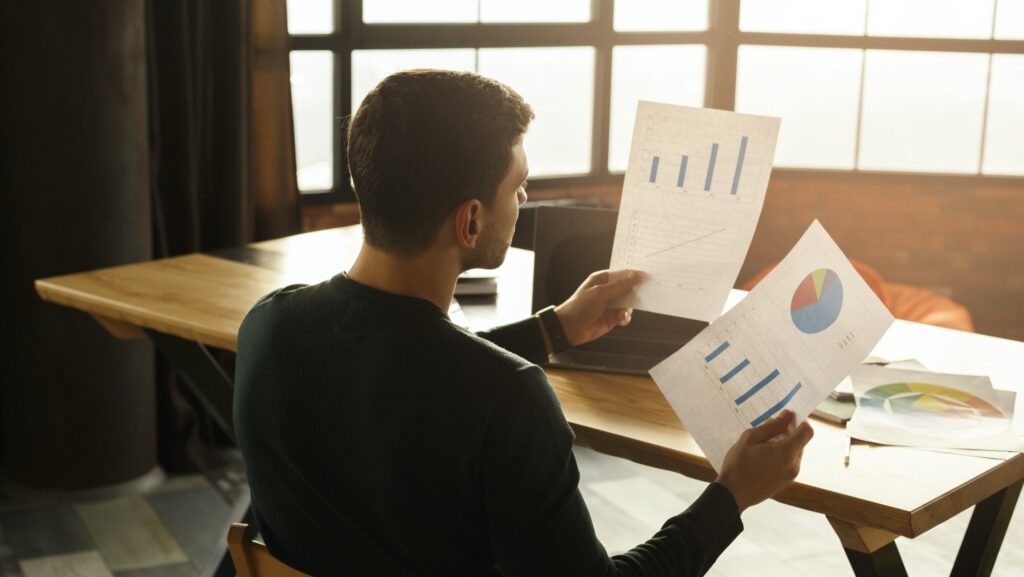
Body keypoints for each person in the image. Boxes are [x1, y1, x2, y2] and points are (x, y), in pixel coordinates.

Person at [234, 69, 813, 576]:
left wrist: (553, 330)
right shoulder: (509, 401)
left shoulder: (267, 329)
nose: (524, 197)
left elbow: (408, 375)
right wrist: (732, 493)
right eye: (518, 187)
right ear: (469, 221)